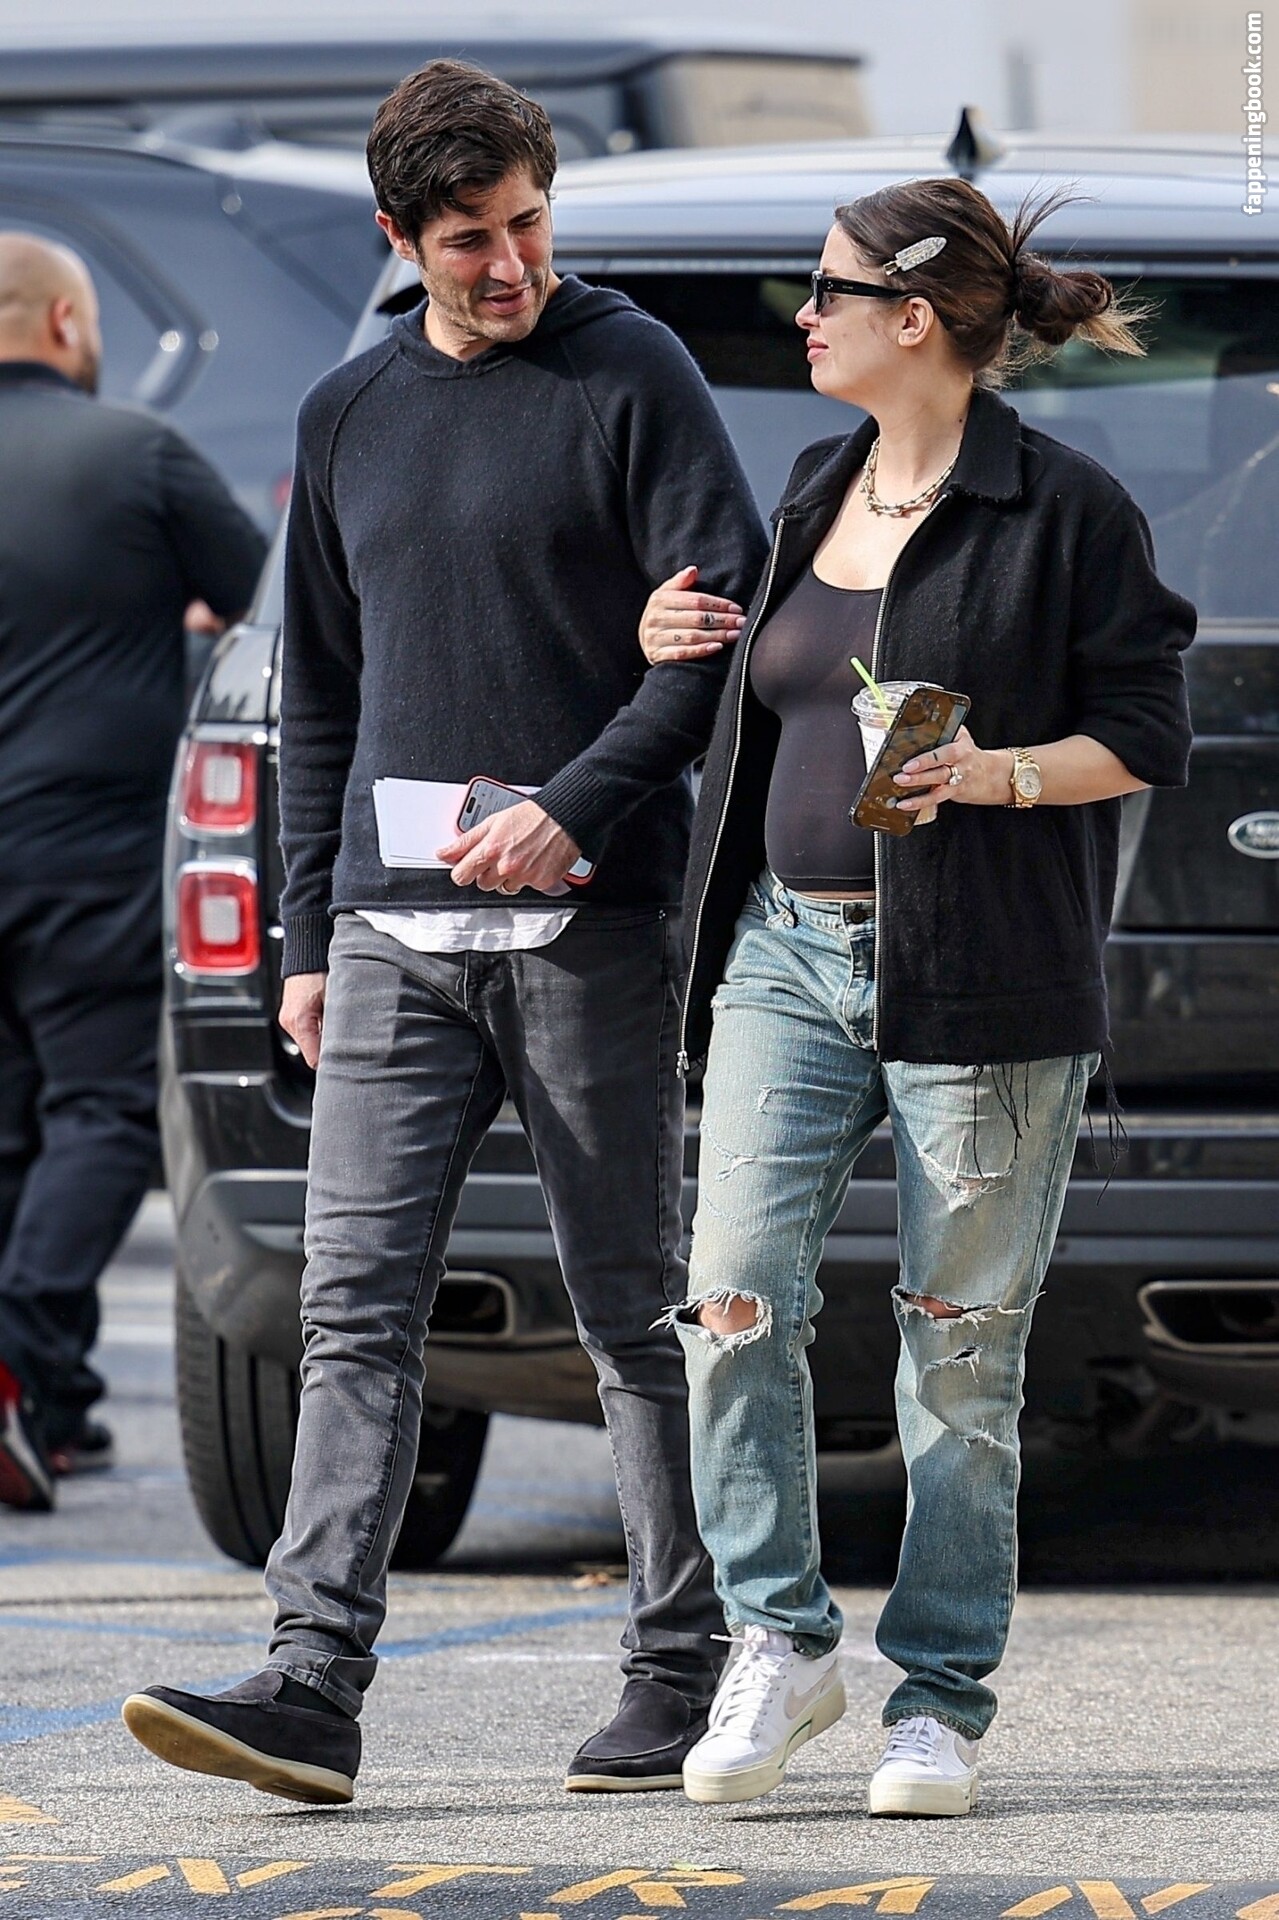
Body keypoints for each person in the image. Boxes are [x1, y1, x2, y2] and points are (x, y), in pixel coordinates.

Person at [122, 61, 767, 1806]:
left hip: (584, 927)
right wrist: (309, 938)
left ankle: (677, 1664)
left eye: (529, 225)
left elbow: (710, 637)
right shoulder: (346, 412)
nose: (512, 265)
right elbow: (320, 698)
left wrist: (576, 807)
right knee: (349, 1312)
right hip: (392, 936)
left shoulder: (629, 370)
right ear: (398, 239)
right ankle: (310, 1683)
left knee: (627, 1311)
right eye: (472, 238)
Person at [636, 177, 1195, 1817]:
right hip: (781, 955)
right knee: (730, 1302)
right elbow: (772, 703)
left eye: (823, 290)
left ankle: (935, 1701)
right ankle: (777, 1639)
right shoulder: (814, 485)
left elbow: (1141, 731)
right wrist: (679, 638)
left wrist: (994, 773)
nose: (798, 315)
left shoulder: (1060, 506)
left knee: (955, 1354)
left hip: (981, 973)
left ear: (912, 317)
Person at [0, 234, 267, 1510]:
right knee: (102, 1111)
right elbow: (264, 603)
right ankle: (18, 1352)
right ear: (64, 322)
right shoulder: (135, 454)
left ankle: (47, 1402)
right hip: (88, 847)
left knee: (8, 1130)